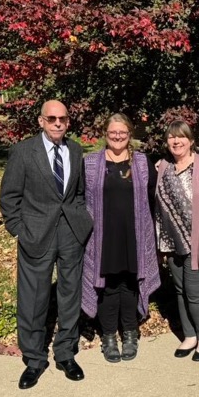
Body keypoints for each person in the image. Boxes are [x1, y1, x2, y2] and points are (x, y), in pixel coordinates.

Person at [0, 99, 93, 389]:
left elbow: (78, 192)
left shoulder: (75, 150)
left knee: (70, 295)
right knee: (33, 298)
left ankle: (66, 353)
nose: (57, 123)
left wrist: (81, 220)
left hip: (71, 233)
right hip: (35, 234)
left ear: (68, 122)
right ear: (41, 121)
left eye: (62, 119)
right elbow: (9, 196)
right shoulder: (23, 151)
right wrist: (19, 230)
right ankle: (34, 359)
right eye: (51, 118)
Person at [81, 113, 160, 363]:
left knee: (130, 284)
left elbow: (153, 198)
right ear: (105, 134)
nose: (117, 136)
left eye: (122, 132)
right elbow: (80, 199)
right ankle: (108, 337)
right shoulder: (90, 164)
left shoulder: (142, 163)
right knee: (108, 286)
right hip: (102, 237)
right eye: (113, 132)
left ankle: (129, 333)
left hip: (134, 235)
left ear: (130, 134)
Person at [155, 120, 199, 361]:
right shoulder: (164, 167)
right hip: (172, 242)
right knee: (180, 290)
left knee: (196, 291)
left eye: (181, 137)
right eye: (171, 137)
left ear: (191, 140)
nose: (176, 141)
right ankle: (190, 335)